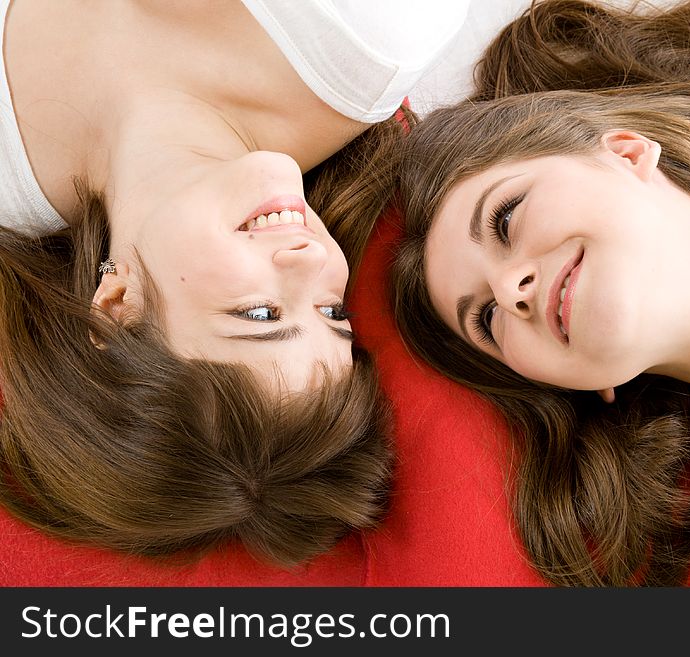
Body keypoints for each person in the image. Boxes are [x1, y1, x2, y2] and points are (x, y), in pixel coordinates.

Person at [391, 0, 690, 586]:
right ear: (577, 382)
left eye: (506, 218)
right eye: (489, 320)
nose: (510, 288)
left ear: (626, 153)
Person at [0, 0, 469, 567]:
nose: (309, 258)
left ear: (118, 306)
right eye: (331, 312)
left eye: (260, 315)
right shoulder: (370, 32)